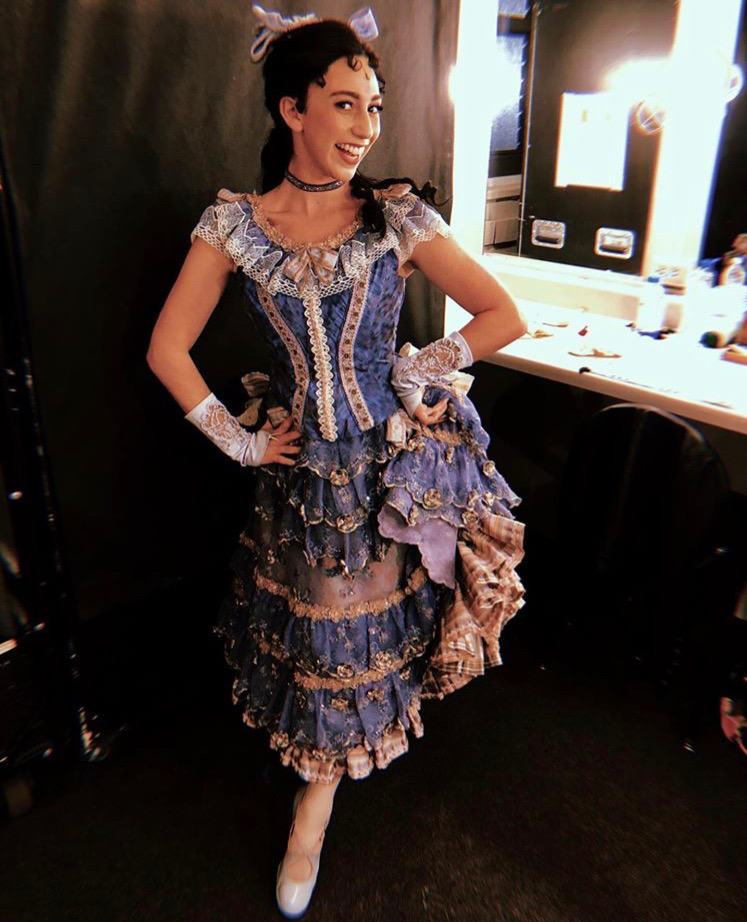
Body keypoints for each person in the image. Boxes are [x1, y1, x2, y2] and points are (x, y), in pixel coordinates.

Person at [146, 5, 527, 917]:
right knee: (323, 635)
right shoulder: (236, 225)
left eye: (375, 107)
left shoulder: (394, 216)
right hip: (302, 477)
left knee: (373, 626)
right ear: (293, 109)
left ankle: (311, 819)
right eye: (346, 103)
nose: (364, 127)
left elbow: (502, 315)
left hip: (388, 469)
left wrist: (419, 370)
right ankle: (313, 808)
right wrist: (241, 441)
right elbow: (166, 349)